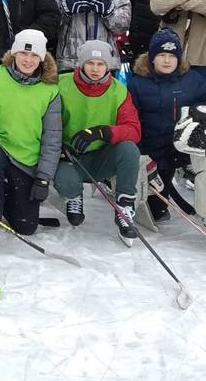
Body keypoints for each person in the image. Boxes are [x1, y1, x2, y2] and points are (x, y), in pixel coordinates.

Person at [128, 28, 206, 221]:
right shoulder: (138, 84)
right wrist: (139, 154)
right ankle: (150, 196)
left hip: (180, 148)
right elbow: (130, 120)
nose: (166, 60)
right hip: (150, 150)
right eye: (161, 55)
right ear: (151, 58)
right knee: (158, 213)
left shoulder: (191, 80)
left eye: (172, 56)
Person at [0, 29, 61, 238]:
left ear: (41, 58)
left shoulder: (50, 90)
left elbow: (52, 137)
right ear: (14, 54)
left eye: (34, 55)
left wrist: (43, 178)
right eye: (23, 53)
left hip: (26, 159)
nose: (28, 60)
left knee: (26, 227)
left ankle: (5, 198)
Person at [53, 40, 143, 244]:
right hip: (70, 156)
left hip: (103, 156)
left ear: (108, 66)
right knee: (65, 181)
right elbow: (47, 121)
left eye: (100, 64)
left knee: (129, 149)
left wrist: (103, 132)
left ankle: (124, 205)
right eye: (90, 63)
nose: (95, 69)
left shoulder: (118, 90)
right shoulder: (61, 84)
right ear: (81, 64)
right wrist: (59, 145)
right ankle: (74, 196)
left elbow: (134, 129)